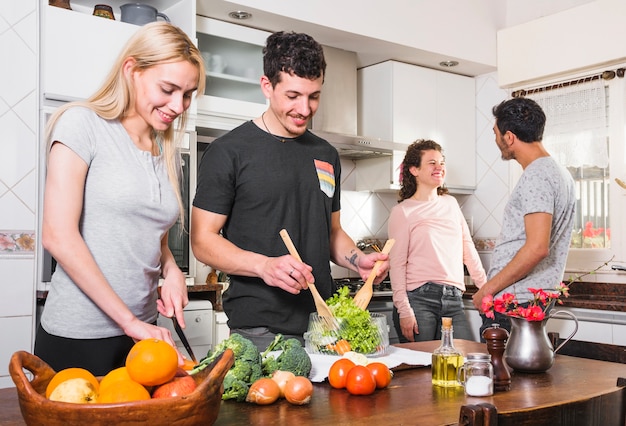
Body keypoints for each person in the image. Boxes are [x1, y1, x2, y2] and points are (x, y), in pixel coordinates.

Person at [191, 31, 390, 351]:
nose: (305, 108)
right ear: (267, 86)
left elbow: (332, 232)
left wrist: (357, 260)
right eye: (293, 95)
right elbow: (202, 240)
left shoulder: (326, 154)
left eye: (314, 96)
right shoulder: (229, 152)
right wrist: (264, 266)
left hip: (323, 324)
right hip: (259, 327)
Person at [34, 22, 205, 375]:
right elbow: (58, 235)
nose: (178, 105)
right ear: (132, 70)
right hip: (80, 335)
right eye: (168, 89)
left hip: (143, 334)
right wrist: (129, 322)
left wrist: (171, 272)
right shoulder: (82, 125)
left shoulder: (164, 148)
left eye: (187, 94)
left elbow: (151, 235)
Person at [471, 97, 576, 338]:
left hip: (515, 299)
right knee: (521, 372)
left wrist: (487, 290)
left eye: (496, 133)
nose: (496, 140)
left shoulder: (537, 175)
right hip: (532, 297)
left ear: (509, 137)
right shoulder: (560, 173)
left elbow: (537, 247)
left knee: (501, 374)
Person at [388, 139, 487, 342]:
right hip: (419, 300)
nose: (439, 167)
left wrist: (486, 288)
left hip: (453, 299)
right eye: (432, 162)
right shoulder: (403, 212)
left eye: (442, 162)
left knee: (463, 360)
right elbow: (396, 264)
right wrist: (404, 310)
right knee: (422, 369)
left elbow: (467, 248)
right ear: (414, 170)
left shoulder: (450, 203)